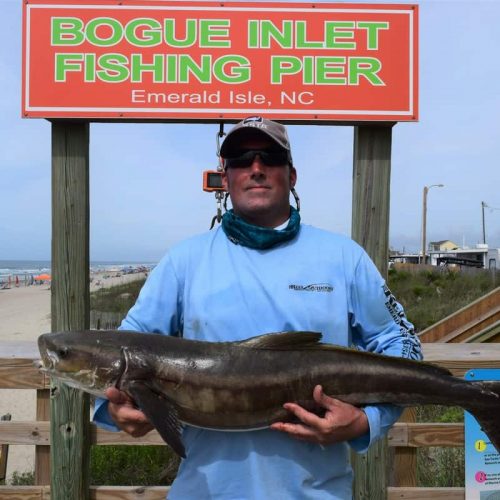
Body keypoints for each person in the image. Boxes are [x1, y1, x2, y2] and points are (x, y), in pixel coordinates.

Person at [93, 116, 422, 499]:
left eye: (270, 157)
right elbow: (125, 351)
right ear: (225, 176)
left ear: (292, 174)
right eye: (240, 159)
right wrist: (115, 410)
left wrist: (368, 421)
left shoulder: (344, 257)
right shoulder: (184, 261)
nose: (256, 168)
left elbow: (402, 343)